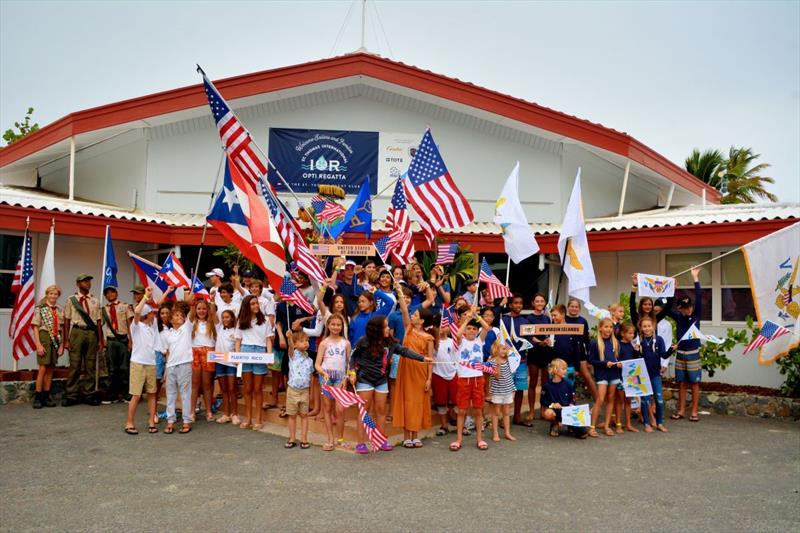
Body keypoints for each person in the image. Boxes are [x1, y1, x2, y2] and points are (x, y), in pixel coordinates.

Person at [349, 315, 430, 454]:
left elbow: (404, 351)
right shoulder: (364, 341)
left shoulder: (390, 343)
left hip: (381, 380)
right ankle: (361, 443)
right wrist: (352, 372)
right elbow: (352, 356)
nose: (388, 329)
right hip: (365, 379)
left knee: (381, 411)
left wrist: (422, 358)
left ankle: (381, 441)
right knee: (364, 411)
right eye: (385, 326)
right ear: (377, 329)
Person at [393, 282, 435, 448]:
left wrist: (429, 379)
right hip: (405, 368)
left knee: (417, 402)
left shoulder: (428, 338)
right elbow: (404, 309)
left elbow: (430, 359)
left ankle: (415, 434)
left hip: (420, 372)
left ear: (422, 320)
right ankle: (405, 436)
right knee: (405, 400)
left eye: (416, 315)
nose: (413, 316)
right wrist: (399, 292)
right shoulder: (408, 329)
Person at [450, 308, 492, 451]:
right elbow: (457, 333)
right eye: (469, 329)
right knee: (462, 411)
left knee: (478, 411)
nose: (472, 331)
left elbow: (487, 328)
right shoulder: (461, 342)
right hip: (464, 380)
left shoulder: (480, 340)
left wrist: (476, 316)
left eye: (474, 329)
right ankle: (459, 439)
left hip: (477, 379)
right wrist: (467, 319)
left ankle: (480, 439)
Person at [667, 267, 703, 422]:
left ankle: (694, 411)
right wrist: (672, 289)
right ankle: (681, 410)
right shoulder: (678, 316)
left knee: (694, 383)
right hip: (680, 354)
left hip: (693, 353)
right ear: (680, 308)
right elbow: (668, 308)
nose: (688, 310)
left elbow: (700, 297)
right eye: (684, 308)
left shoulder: (696, 316)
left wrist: (695, 278)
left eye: (689, 307)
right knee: (681, 383)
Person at [62, 273, 104, 406]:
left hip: (91, 333)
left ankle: (89, 393)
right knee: (75, 364)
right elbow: (67, 320)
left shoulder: (95, 300)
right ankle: (71, 394)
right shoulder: (71, 300)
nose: (87, 284)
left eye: (89, 281)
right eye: (84, 281)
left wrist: (100, 340)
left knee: (90, 365)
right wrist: (66, 340)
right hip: (77, 332)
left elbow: (98, 321)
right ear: (78, 284)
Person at [124, 288, 159, 435]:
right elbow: (137, 311)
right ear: (147, 315)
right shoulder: (136, 326)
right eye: (151, 313)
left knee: (152, 393)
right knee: (136, 394)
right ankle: (129, 422)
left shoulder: (152, 326)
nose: (154, 315)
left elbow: (159, 304)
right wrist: (145, 296)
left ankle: (151, 421)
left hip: (151, 363)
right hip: (138, 363)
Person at [235, 295, 272, 430]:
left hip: (260, 352)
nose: (256, 306)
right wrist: (237, 358)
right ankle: (248, 418)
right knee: (248, 389)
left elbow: (268, 339)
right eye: (252, 304)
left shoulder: (265, 320)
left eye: (256, 303)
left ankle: (258, 419)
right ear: (246, 306)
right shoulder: (241, 321)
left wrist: (268, 356)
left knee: (258, 389)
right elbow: (238, 340)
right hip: (245, 352)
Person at [315, 313, 351, 451]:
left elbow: (349, 363)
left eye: (338, 325)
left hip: (340, 379)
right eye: (333, 324)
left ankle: (340, 439)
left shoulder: (345, 343)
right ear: (328, 325)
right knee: (327, 407)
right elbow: (317, 364)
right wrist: (323, 373)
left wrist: (346, 377)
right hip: (326, 379)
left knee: (340, 409)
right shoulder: (324, 343)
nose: (336, 327)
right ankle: (330, 438)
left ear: (342, 326)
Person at [162, 303, 193, 434]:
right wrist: (166, 369)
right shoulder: (167, 334)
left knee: (185, 394)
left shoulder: (186, 328)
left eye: (181, 315)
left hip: (185, 364)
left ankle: (186, 421)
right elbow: (167, 352)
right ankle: (170, 420)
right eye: (176, 315)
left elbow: (191, 314)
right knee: (171, 394)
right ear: (170, 319)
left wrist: (189, 301)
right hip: (171, 366)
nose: (180, 317)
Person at [588, 318, 622, 438]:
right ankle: (592, 427)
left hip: (614, 374)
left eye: (610, 327)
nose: (608, 329)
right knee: (600, 399)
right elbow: (591, 360)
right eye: (606, 327)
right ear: (600, 328)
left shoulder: (616, 342)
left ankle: (607, 426)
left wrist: (619, 364)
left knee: (611, 399)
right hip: (602, 374)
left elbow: (620, 358)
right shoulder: (594, 342)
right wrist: (604, 363)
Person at [31, 285, 63, 409]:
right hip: (44, 336)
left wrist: (61, 346)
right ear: (47, 295)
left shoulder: (60, 310)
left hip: (56, 338)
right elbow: (35, 327)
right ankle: (38, 397)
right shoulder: (40, 309)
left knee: (50, 368)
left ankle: (46, 395)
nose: (53, 296)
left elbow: (62, 329)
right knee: (43, 368)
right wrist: (38, 345)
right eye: (51, 294)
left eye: (55, 294)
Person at [500, 295, 530, 426]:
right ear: (510, 305)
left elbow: (531, 338)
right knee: (506, 388)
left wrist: (542, 341)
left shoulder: (526, 321)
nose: (518, 305)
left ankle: (517, 416)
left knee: (519, 388)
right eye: (515, 303)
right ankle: (503, 418)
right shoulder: (503, 320)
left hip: (521, 359)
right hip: (506, 359)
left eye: (520, 303)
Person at [101, 285, 134, 404]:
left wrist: (131, 340)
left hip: (123, 340)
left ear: (116, 293)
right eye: (107, 293)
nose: (110, 295)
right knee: (112, 368)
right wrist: (102, 340)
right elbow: (100, 324)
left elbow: (130, 325)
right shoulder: (104, 309)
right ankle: (112, 394)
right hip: (111, 340)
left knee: (124, 367)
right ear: (105, 296)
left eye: (112, 292)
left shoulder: (125, 306)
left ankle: (126, 394)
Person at [540, 358, 588, 439]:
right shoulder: (547, 386)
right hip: (555, 411)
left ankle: (570, 426)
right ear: (555, 370)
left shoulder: (568, 384)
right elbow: (543, 401)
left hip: (568, 412)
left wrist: (570, 405)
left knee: (583, 433)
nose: (565, 371)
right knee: (548, 413)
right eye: (563, 369)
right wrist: (552, 405)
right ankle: (555, 424)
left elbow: (573, 399)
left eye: (566, 368)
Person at [638, 316, 670, 432]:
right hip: (642, 375)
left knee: (659, 399)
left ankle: (659, 422)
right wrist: (636, 350)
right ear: (641, 328)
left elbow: (664, 355)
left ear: (653, 327)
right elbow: (635, 358)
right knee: (645, 400)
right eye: (644, 326)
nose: (647, 328)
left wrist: (671, 349)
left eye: (649, 326)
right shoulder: (639, 341)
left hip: (655, 374)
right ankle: (646, 423)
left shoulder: (659, 339)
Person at [525, 293, 553, 423]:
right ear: (533, 303)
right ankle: (531, 411)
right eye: (537, 301)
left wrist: (548, 341)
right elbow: (529, 336)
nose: (540, 303)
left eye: (542, 301)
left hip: (546, 353)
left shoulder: (547, 318)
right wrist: (538, 342)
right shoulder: (529, 318)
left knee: (545, 384)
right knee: (533, 382)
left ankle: (543, 409)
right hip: (534, 352)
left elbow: (550, 333)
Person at [189, 298, 218, 422]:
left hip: (208, 353)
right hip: (195, 353)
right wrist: (190, 300)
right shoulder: (191, 322)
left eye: (204, 309)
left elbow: (214, 316)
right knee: (195, 384)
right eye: (199, 308)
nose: (201, 311)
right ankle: (191, 411)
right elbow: (190, 312)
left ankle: (209, 411)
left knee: (207, 384)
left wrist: (212, 302)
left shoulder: (212, 323)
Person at [285, 330, 314, 449]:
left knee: (304, 415)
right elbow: (290, 347)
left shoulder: (310, 360)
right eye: (302, 341)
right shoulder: (293, 355)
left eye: (307, 341)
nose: (306, 343)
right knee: (292, 415)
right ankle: (292, 438)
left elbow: (311, 377)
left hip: (305, 391)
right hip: (293, 390)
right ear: (295, 344)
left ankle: (304, 438)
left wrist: (311, 392)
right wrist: (289, 338)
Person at [565, 298, 598, 400]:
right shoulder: (563, 320)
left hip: (580, 353)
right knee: (567, 379)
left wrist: (588, 357)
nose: (574, 308)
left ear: (579, 308)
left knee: (587, 377)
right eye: (572, 306)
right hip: (567, 353)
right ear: (568, 307)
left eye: (576, 307)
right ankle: (567, 403)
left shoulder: (583, 321)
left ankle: (598, 401)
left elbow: (586, 340)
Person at [431, 320, 458, 436]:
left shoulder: (453, 342)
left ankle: (460, 425)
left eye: (445, 325)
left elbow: (457, 356)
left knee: (456, 402)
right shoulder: (432, 342)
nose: (442, 328)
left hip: (452, 373)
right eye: (439, 325)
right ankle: (444, 425)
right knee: (441, 402)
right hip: (438, 374)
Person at [214, 309, 240, 425]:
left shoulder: (236, 331)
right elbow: (213, 315)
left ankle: (235, 414)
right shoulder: (219, 328)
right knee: (224, 390)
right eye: (223, 317)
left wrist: (237, 362)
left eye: (227, 317)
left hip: (231, 364)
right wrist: (212, 301)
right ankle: (226, 414)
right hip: (219, 362)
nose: (225, 319)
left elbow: (238, 347)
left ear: (232, 318)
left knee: (232, 389)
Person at [487, 340, 516, 442]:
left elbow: (510, 375)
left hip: (508, 390)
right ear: (496, 349)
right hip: (497, 391)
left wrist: (513, 390)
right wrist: (498, 365)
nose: (505, 351)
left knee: (506, 412)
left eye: (506, 349)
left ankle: (507, 433)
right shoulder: (492, 361)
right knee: (496, 412)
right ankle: (495, 433)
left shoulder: (509, 360)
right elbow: (497, 376)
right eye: (503, 348)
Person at [617, 322, 641, 433]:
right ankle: (618, 423)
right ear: (622, 333)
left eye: (633, 333)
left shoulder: (631, 345)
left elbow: (634, 360)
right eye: (630, 333)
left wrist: (636, 351)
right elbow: (616, 359)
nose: (632, 336)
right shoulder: (617, 345)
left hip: (631, 376)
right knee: (619, 401)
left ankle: (628, 424)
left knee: (628, 401)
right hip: (621, 377)